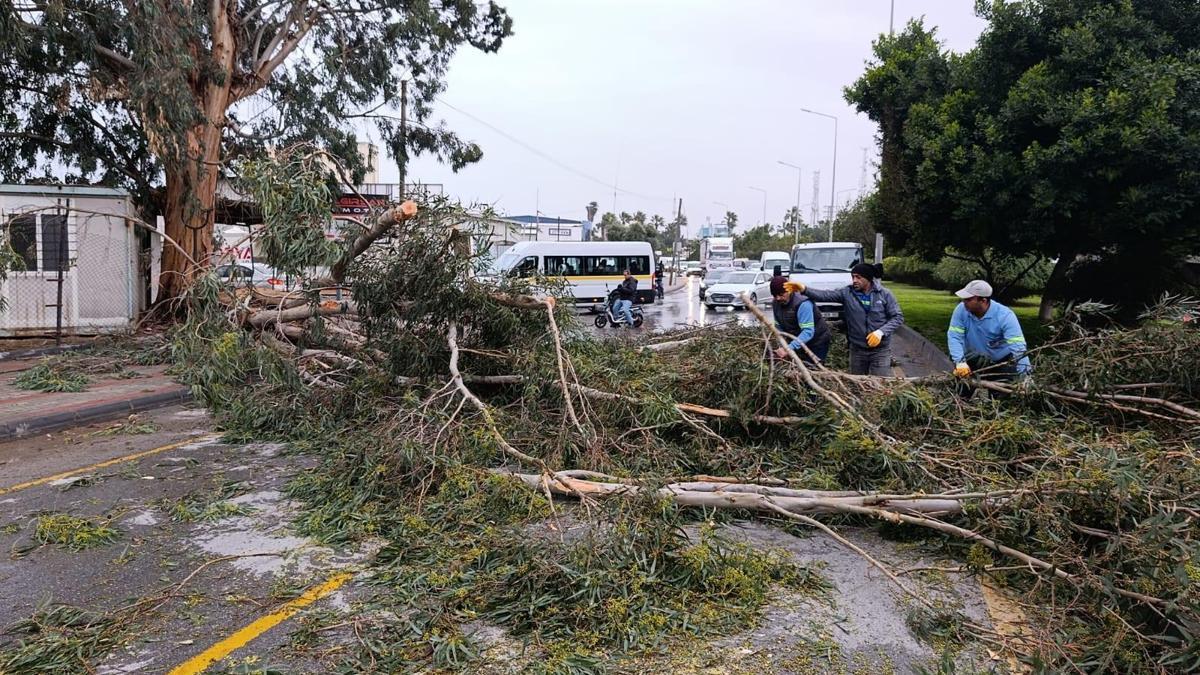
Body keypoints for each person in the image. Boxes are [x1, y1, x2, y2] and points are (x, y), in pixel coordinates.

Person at [787, 263, 903, 376]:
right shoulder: (847, 293)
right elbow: (825, 295)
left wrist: (880, 332)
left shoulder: (884, 294)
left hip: (880, 351)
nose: (854, 280)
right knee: (857, 385)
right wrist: (804, 289)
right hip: (857, 350)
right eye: (853, 277)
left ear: (868, 278)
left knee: (880, 384)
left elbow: (897, 317)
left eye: (858, 277)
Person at [947, 280, 1031, 391]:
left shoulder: (1005, 316)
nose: (964, 302)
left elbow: (1018, 347)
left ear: (983, 300)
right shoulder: (961, 310)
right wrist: (960, 362)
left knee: (1000, 396)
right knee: (961, 391)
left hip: (1001, 361)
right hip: (973, 357)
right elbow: (954, 336)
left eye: (968, 299)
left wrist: (1025, 375)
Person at [770, 276, 831, 363]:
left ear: (789, 291)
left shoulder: (803, 303)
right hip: (798, 339)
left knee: (813, 369)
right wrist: (781, 345)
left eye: (781, 294)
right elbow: (778, 327)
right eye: (774, 295)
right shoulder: (776, 303)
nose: (778, 298)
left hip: (817, 341)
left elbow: (808, 332)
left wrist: (788, 348)